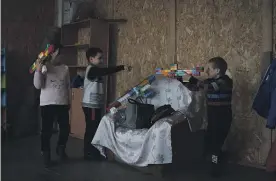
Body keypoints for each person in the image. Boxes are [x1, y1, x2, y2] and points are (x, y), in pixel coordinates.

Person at [183, 57, 233, 177]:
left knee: (215, 146)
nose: (206, 72)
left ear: (217, 70)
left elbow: (208, 86)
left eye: (209, 69)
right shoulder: (211, 82)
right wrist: (180, 79)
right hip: (213, 117)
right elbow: (195, 87)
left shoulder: (225, 81)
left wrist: (189, 77)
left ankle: (216, 169)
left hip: (223, 118)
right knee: (210, 142)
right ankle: (220, 158)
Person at [82, 47, 131, 160]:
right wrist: (122, 67)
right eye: (100, 58)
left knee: (94, 128)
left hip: (95, 105)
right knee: (92, 128)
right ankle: (89, 153)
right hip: (91, 106)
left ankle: (92, 151)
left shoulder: (95, 69)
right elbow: (105, 71)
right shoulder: (92, 70)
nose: (102, 60)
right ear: (91, 59)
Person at [33, 46, 70, 167]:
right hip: (47, 104)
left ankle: (60, 148)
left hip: (62, 103)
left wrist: (68, 101)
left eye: (62, 54)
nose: (61, 56)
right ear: (52, 54)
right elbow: (38, 85)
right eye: (58, 54)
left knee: (65, 129)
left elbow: (67, 86)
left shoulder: (65, 68)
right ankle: (46, 154)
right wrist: (38, 70)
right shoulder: (45, 67)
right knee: (46, 131)